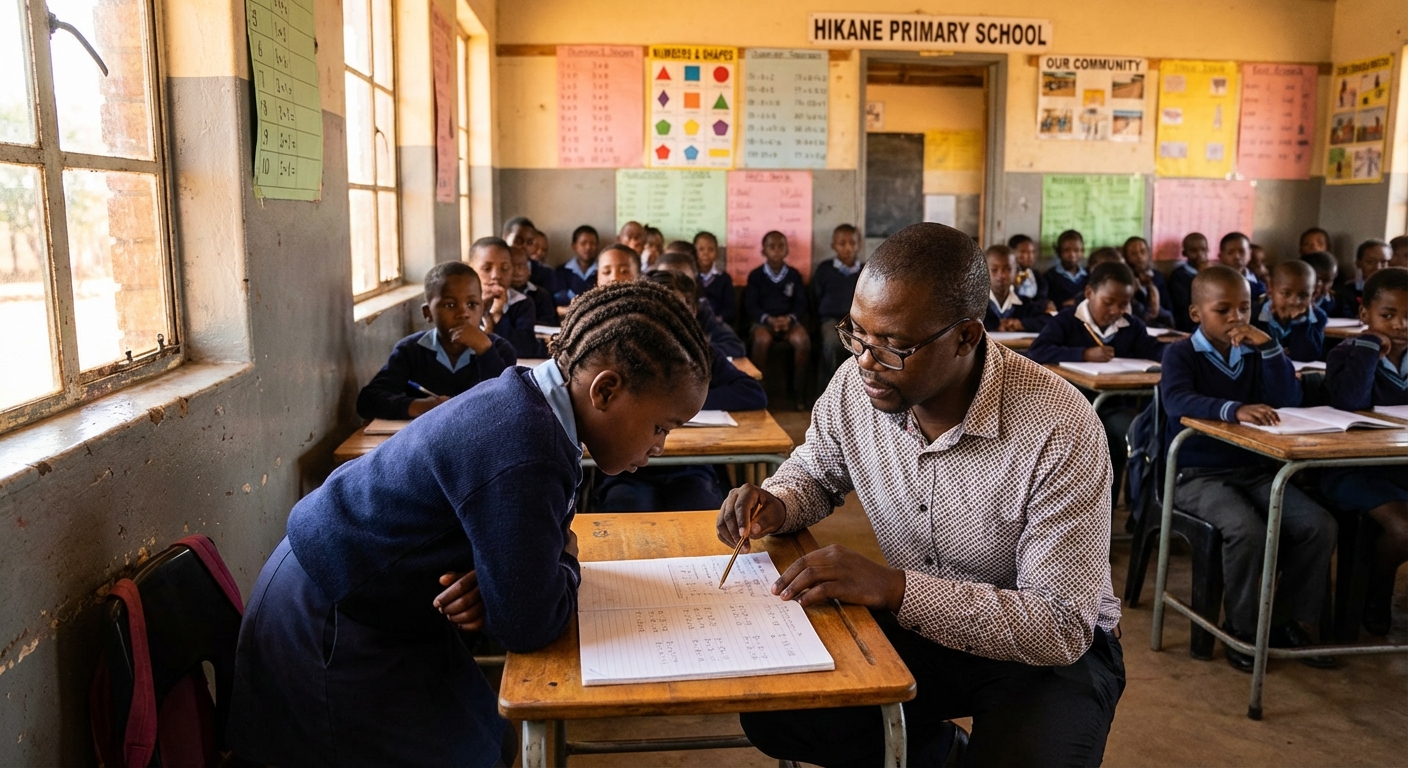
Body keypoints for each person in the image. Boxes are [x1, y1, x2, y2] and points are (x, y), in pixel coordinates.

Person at [228, 281, 712, 767]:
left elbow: (518, 587)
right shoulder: (529, 447)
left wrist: (511, 576)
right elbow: (529, 623)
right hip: (328, 615)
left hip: (375, 595)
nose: (660, 447)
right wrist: (562, 558)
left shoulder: (529, 400)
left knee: (493, 738)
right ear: (605, 390)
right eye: (660, 427)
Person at [720, 223, 1124, 767]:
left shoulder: (1059, 425)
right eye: (857, 333)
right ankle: (937, 755)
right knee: (779, 707)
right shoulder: (857, 386)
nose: (866, 360)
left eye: (895, 346)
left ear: (966, 337)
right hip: (925, 625)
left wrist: (894, 589)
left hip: (1050, 655)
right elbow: (816, 471)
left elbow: (1058, 624)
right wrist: (779, 502)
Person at [1160, 265, 1337, 671]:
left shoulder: (1256, 352)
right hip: (1196, 474)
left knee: (1318, 525)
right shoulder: (1181, 353)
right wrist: (1234, 410)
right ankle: (1241, 628)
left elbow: (1287, 398)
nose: (1237, 319)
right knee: (1248, 531)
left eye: (1244, 308)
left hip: (1255, 470)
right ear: (1196, 314)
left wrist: (1271, 347)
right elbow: (1177, 400)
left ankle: (1285, 620)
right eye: (1223, 310)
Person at [596, 271, 766, 512]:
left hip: (691, 468)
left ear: (693, 312)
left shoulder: (701, 354)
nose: (671, 319)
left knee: (701, 507)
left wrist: (687, 406)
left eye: (681, 309)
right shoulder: (621, 354)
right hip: (628, 469)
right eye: (661, 308)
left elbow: (753, 393)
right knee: (629, 508)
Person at [1029, 261, 1166, 507]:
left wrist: (1180, 353)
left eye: (1124, 304)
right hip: (1073, 408)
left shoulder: (1131, 326)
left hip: (1116, 406)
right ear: (1090, 293)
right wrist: (1083, 353)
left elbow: (1154, 350)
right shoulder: (1068, 320)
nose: (1116, 310)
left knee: (1135, 434)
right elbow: (1038, 351)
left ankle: (1129, 510)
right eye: (1109, 302)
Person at [1322, 267, 1408, 635]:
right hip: (1352, 470)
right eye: (1387, 316)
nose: (1401, 325)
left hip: (1400, 466)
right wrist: (1370, 346)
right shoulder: (1346, 353)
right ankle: (1376, 592)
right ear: (1365, 316)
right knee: (1404, 530)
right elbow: (1349, 401)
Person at [356, 262, 517, 421]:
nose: (463, 313)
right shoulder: (411, 350)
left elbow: (508, 402)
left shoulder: (500, 349)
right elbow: (368, 400)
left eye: (472, 304)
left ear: (482, 308)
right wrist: (421, 406)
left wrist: (485, 351)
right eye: (450, 305)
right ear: (428, 313)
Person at [744, 231, 811, 403]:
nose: (776, 251)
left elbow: (801, 303)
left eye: (781, 246)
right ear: (763, 251)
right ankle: (758, 392)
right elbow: (751, 305)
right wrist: (768, 319)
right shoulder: (756, 276)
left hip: (789, 322)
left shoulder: (793, 275)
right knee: (761, 340)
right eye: (771, 247)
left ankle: (798, 393)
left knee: (802, 340)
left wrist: (789, 319)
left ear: (787, 250)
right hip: (764, 322)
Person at [654, 250, 746, 358]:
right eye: (665, 280)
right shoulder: (644, 309)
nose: (676, 287)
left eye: (684, 282)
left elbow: (735, 346)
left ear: (694, 284)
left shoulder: (701, 311)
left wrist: (695, 350)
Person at [469, 236, 542, 358]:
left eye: (505, 268)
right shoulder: (462, 304)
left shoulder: (522, 303)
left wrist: (498, 315)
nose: (496, 275)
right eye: (487, 269)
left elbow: (526, 349)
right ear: (470, 269)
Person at [813, 224, 864, 385]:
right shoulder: (825, 269)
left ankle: (857, 388)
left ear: (859, 245)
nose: (848, 248)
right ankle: (831, 385)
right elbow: (815, 297)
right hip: (831, 321)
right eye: (842, 243)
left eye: (852, 243)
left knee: (862, 346)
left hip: (858, 322)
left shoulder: (865, 270)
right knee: (832, 343)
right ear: (833, 245)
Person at [1253, 260, 1325, 363]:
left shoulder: (1318, 317)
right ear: (1270, 289)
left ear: (1313, 293)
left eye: (1303, 295)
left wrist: (1299, 322)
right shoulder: (1254, 315)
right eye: (1286, 293)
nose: (1294, 302)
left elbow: (1308, 356)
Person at [982, 244, 1049, 333]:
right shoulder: (975, 304)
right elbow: (964, 323)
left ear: (1016, 272)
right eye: (994, 270)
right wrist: (996, 325)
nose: (1001, 275)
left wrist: (1021, 324)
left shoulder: (1023, 303)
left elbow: (1047, 321)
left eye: (1008, 269)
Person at [1335, 239, 1393, 319]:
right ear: (1358, 264)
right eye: (1370, 262)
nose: (1378, 267)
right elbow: (1347, 316)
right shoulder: (1349, 290)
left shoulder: (1396, 291)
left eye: (1384, 262)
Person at [1124, 235, 1173, 328]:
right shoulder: (1126, 279)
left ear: (1148, 253)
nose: (1139, 257)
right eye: (1133, 254)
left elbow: (1168, 306)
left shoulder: (1157, 276)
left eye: (1143, 251)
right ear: (1127, 258)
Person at [503, 216, 555, 296]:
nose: (524, 246)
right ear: (505, 237)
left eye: (530, 242)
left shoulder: (544, 273)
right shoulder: (496, 270)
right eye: (518, 241)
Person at [509, 241, 558, 326]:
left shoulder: (542, 295)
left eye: (520, 267)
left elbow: (550, 322)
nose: (516, 272)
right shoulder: (500, 296)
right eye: (511, 267)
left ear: (529, 271)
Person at [1169, 232, 1210, 331]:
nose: (1200, 254)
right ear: (1184, 253)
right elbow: (1185, 303)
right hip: (1188, 322)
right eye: (1194, 250)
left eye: (1203, 250)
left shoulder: (1213, 273)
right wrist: (1202, 274)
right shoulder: (1179, 275)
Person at [695, 230, 735, 324]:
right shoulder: (690, 277)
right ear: (694, 252)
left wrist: (718, 319)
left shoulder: (724, 279)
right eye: (701, 249)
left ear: (717, 252)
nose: (706, 253)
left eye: (711, 249)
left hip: (717, 324)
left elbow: (730, 310)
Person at [555, 225, 600, 306]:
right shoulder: (561, 271)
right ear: (574, 246)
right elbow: (559, 303)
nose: (588, 247)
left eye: (593, 243)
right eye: (583, 243)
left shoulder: (603, 271)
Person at [1217, 231, 1265, 305]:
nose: (1237, 257)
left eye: (1242, 252)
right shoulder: (1215, 282)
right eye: (1230, 252)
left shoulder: (1259, 281)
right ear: (1221, 256)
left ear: (1249, 254)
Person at [1044, 229, 1088, 308]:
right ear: (1059, 252)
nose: (1072, 254)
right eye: (1067, 250)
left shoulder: (1089, 276)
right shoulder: (1049, 277)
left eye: (1076, 250)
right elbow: (1048, 302)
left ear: (1082, 251)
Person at [1007, 234, 1049, 309]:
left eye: (1032, 252)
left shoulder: (1038, 277)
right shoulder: (1005, 276)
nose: (1029, 256)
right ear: (1012, 253)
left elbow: (1042, 299)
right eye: (1023, 252)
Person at [1301, 250, 1341, 317]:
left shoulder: (1331, 302)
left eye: (1327, 281)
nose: (1319, 284)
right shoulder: (1294, 301)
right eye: (1316, 279)